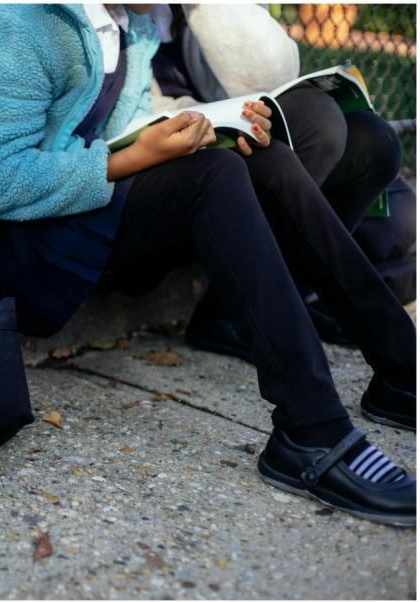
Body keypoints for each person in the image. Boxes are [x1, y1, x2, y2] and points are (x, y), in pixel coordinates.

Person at [0, 3, 416, 525]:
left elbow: (128, 122)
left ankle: (402, 371)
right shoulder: (17, 25)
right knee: (214, 175)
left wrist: (212, 124)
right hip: (4, 249)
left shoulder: (131, 26)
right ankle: (311, 431)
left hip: (76, 217)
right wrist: (137, 158)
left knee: (257, 155)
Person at [144, 4, 409, 360]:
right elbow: (125, 119)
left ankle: (282, 305)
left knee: (373, 141)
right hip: (155, 181)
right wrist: (216, 118)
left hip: (220, 153)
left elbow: (274, 77)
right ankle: (395, 349)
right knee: (315, 120)